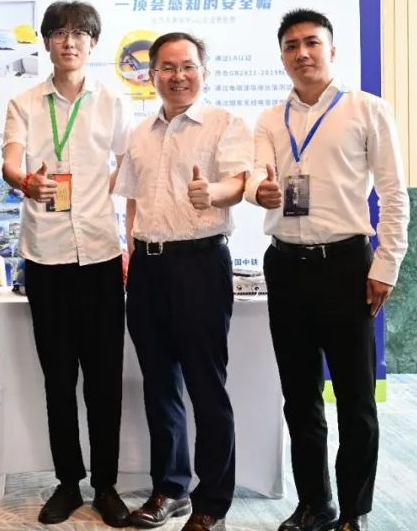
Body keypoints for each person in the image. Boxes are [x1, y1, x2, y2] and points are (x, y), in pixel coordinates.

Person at [245, 10, 410, 531]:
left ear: (332, 50)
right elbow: (254, 178)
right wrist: (257, 191)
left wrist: (386, 263)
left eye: (312, 43)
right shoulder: (269, 119)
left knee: (356, 399)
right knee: (299, 398)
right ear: (282, 57)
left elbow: (394, 194)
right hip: (285, 265)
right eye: (291, 46)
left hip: (345, 266)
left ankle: (353, 512)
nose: (302, 53)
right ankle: (315, 504)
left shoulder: (367, 109)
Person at [1, 0, 133, 528]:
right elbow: (10, 160)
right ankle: (67, 483)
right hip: (46, 257)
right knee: (58, 378)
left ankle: (107, 485)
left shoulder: (113, 101)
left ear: (94, 43)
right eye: (59, 33)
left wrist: (105, 199)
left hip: (100, 255)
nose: (69, 41)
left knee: (104, 380)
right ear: (47, 42)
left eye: (80, 33)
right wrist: (24, 181)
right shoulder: (24, 102)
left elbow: (129, 165)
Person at [114, 32, 252, 531]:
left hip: (199, 264)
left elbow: (239, 182)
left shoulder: (225, 123)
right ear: (152, 75)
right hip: (147, 269)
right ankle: (170, 489)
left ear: (204, 71)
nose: (178, 76)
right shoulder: (139, 132)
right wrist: (131, 249)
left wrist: (211, 192)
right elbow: (131, 199)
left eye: (188, 66)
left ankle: (212, 500)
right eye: (167, 68)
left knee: (205, 385)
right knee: (159, 384)